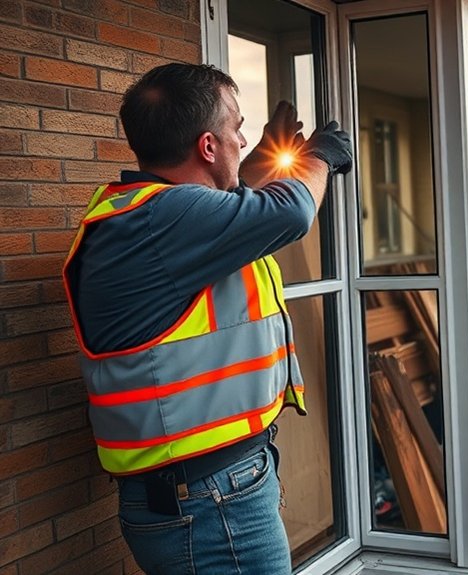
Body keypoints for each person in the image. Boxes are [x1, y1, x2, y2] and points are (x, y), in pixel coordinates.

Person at [62, 63, 352, 574]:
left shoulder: (147, 212)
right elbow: (289, 211)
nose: (242, 137)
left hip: (200, 491)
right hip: (210, 501)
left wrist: (265, 153)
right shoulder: (164, 219)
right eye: (235, 127)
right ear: (207, 146)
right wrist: (321, 157)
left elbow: (235, 201)